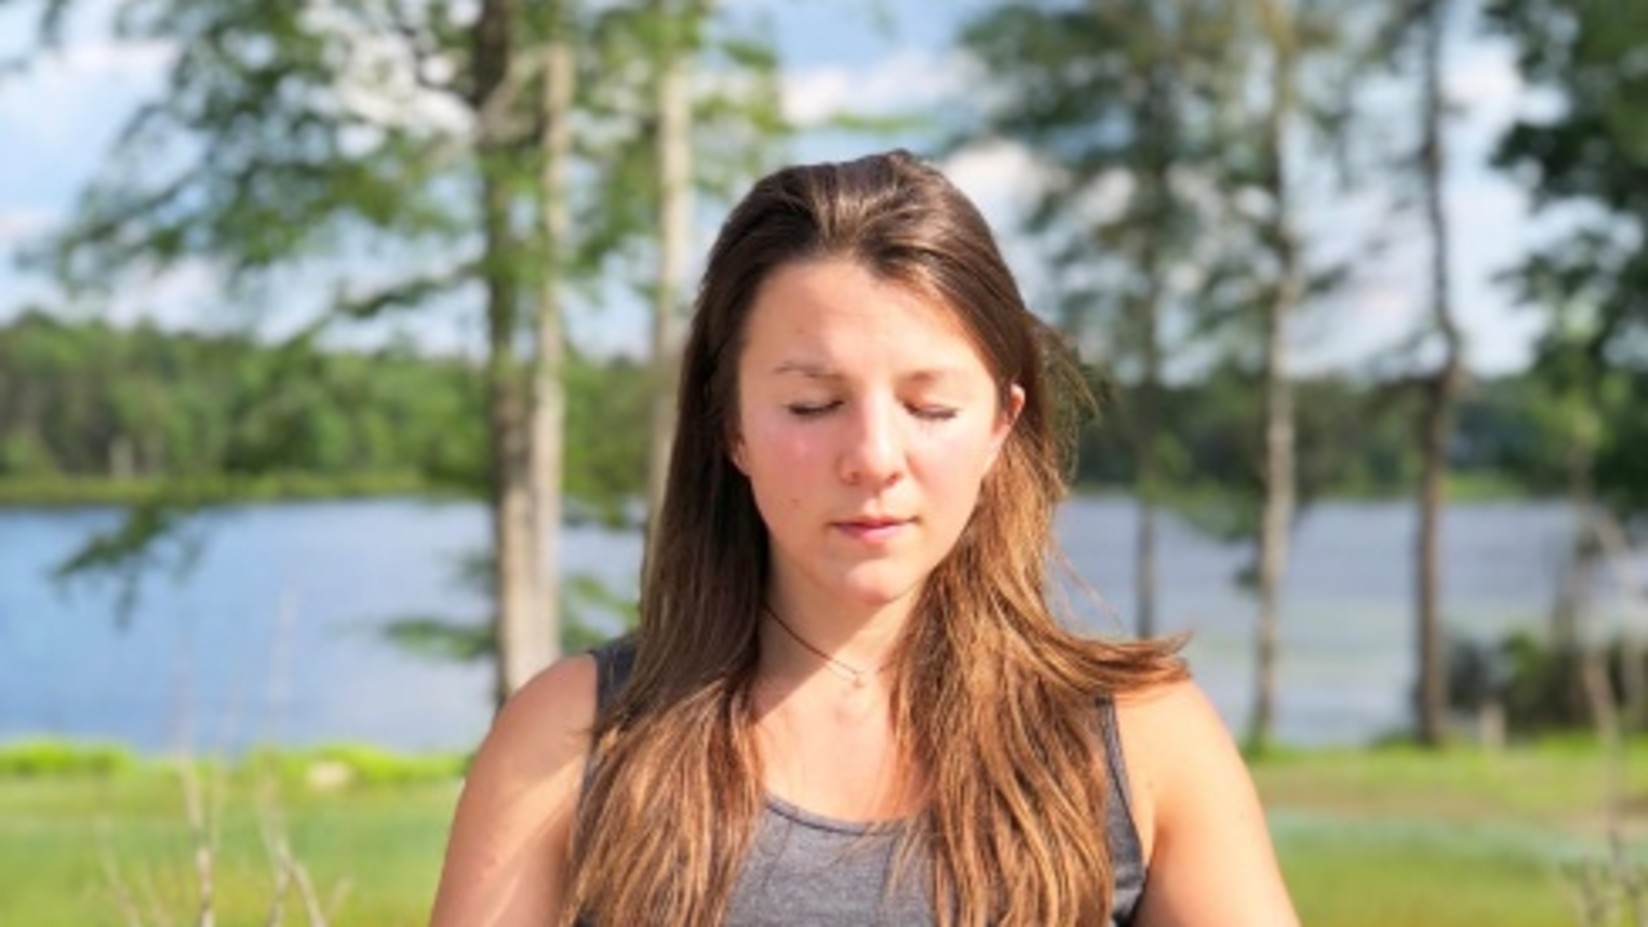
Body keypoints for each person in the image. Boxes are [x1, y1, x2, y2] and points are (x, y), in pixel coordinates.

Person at [429, 150, 1299, 926]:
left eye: (929, 407)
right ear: (731, 426)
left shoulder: (1140, 739)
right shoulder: (573, 738)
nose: (874, 457)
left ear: (1002, 423)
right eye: (813, 405)